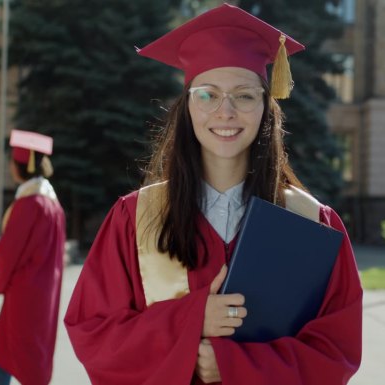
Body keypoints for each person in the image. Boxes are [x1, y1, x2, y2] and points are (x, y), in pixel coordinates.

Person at [63, 4, 363, 385]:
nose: (226, 112)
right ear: (187, 107)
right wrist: (191, 322)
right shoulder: (135, 217)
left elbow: (337, 353)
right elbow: (93, 334)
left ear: (266, 108)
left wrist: (236, 365)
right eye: (207, 95)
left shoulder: (311, 222)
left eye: (245, 95)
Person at [0, 129, 66, 385]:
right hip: (45, 294)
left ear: (19, 166)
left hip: (23, 296)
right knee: (28, 357)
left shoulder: (30, 204)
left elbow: (9, 252)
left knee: (10, 358)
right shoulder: (53, 204)